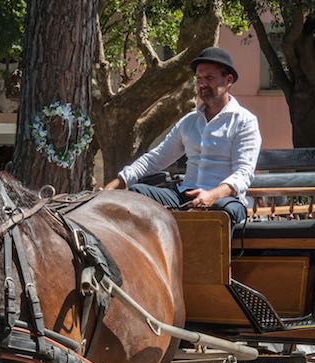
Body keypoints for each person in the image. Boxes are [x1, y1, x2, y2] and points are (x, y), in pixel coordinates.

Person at [102, 46, 261, 229]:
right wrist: (113, 187)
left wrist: (211, 195)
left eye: (209, 78)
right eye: (199, 79)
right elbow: (155, 159)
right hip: (185, 196)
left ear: (228, 80)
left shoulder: (244, 122)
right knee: (136, 194)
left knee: (219, 212)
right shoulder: (189, 122)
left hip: (224, 200)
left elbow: (243, 174)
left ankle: (205, 258)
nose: (202, 84)